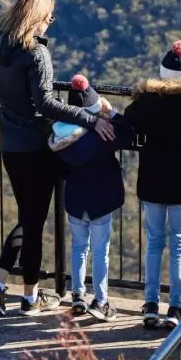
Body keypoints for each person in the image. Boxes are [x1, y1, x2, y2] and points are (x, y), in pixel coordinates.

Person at [0, 0, 116, 316]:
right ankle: (30, 298)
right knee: (34, 222)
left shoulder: (0, 46)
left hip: (11, 147)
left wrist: (0, 62)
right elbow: (46, 103)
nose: (50, 22)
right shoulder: (35, 55)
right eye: (48, 17)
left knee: (27, 216)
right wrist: (89, 120)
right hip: (36, 148)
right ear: (35, 18)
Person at [122, 40, 181, 330]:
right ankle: (175, 306)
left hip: (152, 180)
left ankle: (149, 304)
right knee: (180, 246)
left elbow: (128, 120)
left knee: (155, 243)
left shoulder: (146, 103)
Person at [49, 75, 133, 322]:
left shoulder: (60, 139)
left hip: (75, 198)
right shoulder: (104, 134)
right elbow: (129, 133)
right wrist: (111, 112)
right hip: (101, 200)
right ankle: (101, 299)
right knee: (100, 251)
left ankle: (77, 295)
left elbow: (60, 169)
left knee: (78, 247)